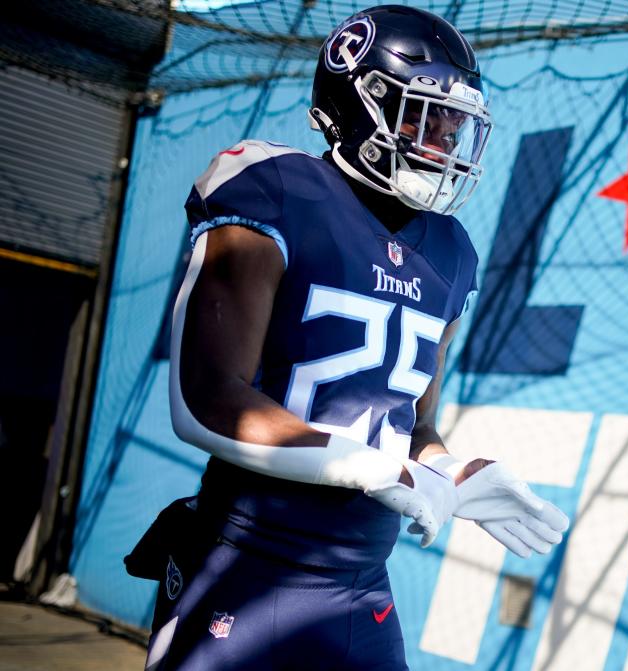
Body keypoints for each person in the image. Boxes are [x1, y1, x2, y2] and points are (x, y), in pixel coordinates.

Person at [127, 6, 569, 670]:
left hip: (360, 583)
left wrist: (454, 472)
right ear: (357, 103)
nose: (447, 135)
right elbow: (205, 398)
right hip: (245, 565)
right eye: (427, 112)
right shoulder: (275, 187)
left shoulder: (451, 252)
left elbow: (412, 424)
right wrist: (372, 467)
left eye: (456, 120)